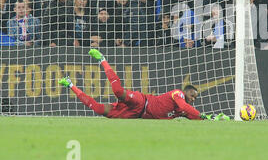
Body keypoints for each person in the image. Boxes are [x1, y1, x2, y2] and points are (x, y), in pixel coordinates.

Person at [59, 49, 230, 120]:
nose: (194, 99)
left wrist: (208, 118)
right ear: (186, 92)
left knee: (98, 109)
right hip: (142, 102)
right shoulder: (178, 94)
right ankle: (103, 60)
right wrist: (201, 115)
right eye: (193, 95)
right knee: (118, 91)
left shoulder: (180, 111)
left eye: (195, 98)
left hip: (135, 115)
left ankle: (70, 84)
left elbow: (190, 115)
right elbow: (187, 108)